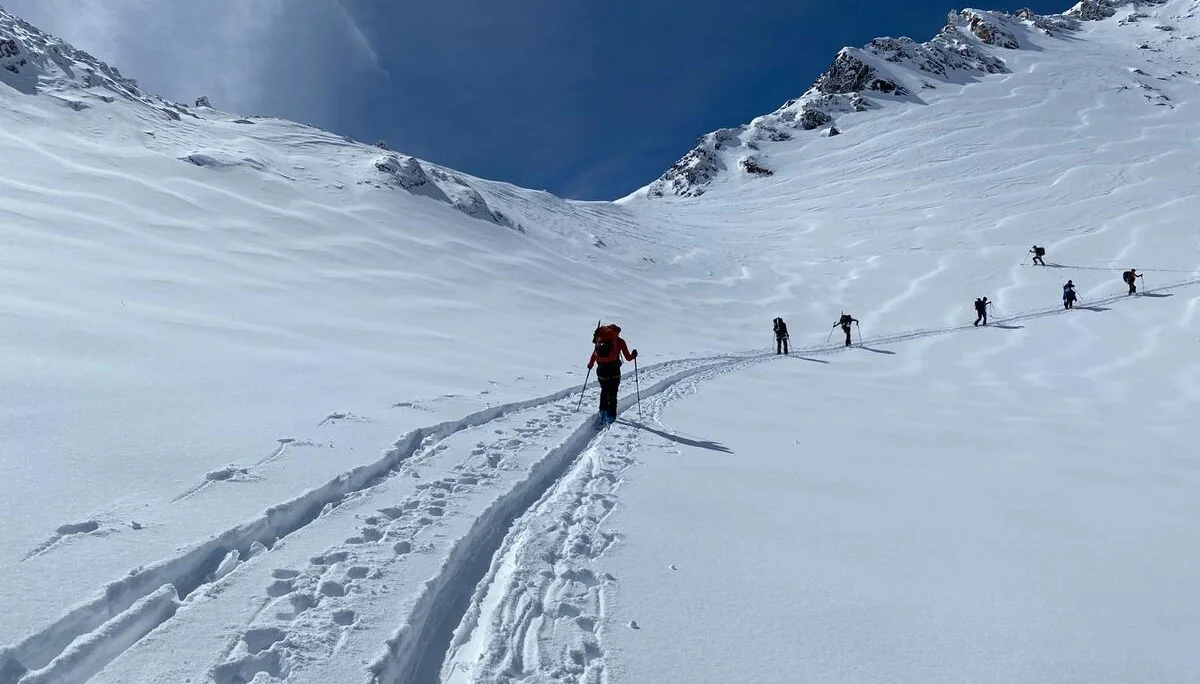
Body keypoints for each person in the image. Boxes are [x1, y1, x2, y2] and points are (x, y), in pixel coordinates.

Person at [587, 324, 637, 424]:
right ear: (617, 333)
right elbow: (628, 357)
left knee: (604, 390)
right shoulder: (620, 341)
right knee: (613, 392)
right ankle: (611, 417)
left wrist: (590, 364)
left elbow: (594, 354)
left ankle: (602, 413)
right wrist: (634, 355)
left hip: (601, 370)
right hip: (614, 369)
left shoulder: (600, 339)